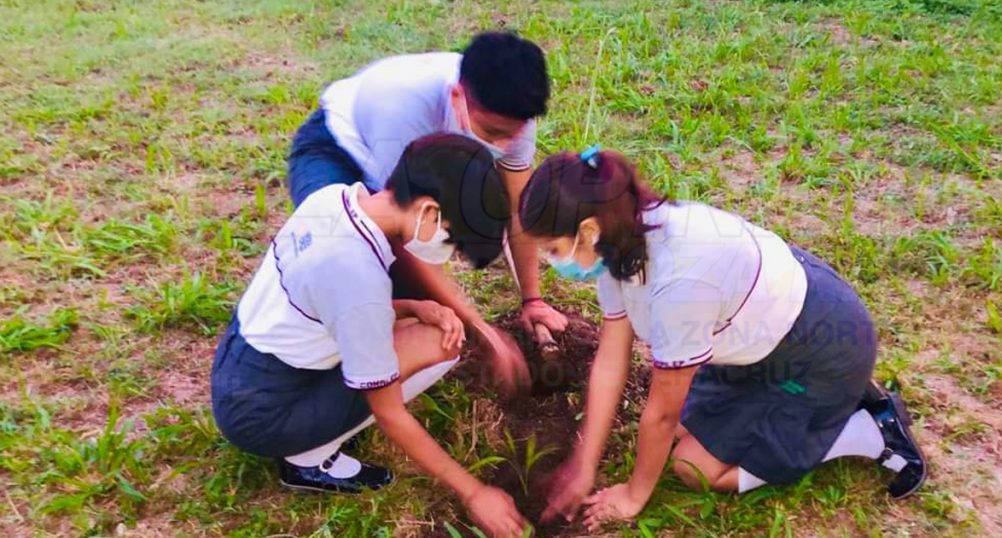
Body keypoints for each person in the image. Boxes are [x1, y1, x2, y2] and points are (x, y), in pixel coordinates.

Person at [519, 147, 927, 532]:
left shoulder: (678, 282)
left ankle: (863, 428)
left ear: (588, 230)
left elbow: (661, 414)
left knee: (692, 467)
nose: (552, 262)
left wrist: (633, 495)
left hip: (817, 349)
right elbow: (611, 358)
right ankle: (837, 396)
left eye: (553, 249)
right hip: (760, 340)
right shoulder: (621, 238)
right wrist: (584, 463)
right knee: (681, 431)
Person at [212, 135, 528, 537]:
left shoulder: (333, 199)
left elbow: (328, 301)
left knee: (426, 327)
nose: (448, 254)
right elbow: (390, 413)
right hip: (264, 417)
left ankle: (318, 423)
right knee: (440, 343)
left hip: (241, 369)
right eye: (450, 239)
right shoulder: (358, 276)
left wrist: (411, 307)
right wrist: (474, 492)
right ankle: (308, 457)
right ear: (428, 210)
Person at [286, 31, 567, 392]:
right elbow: (404, 231)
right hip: (337, 149)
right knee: (358, 267)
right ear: (457, 97)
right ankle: (337, 383)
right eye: (493, 132)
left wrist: (533, 300)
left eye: (513, 134)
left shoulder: (511, 117)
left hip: (417, 160)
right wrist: (481, 330)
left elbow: (518, 210)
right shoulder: (402, 108)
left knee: (411, 294)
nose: (505, 143)